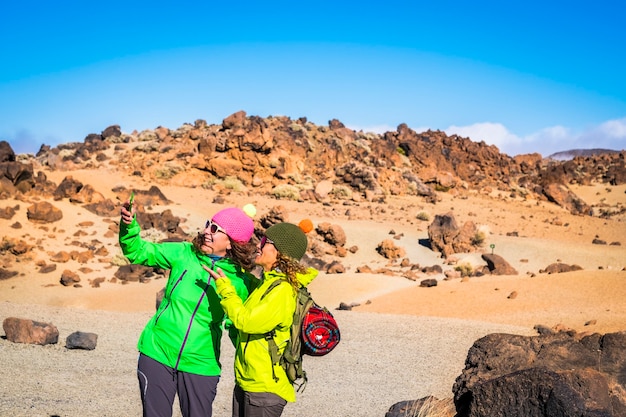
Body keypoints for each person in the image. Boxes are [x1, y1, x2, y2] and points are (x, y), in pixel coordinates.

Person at [119, 199, 257, 417]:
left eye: (214, 229)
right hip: (158, 351)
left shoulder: (241, 282)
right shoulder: (183, 253)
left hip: (201, 363)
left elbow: (239, 326)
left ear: (231, 243)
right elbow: (138, 251)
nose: (206, 232)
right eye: (207, 224)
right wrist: (129, 226)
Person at [205, 221, 318, 417]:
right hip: (249, 381)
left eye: (265, 241)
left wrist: (224, 287)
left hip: (264, 389)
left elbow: (246, 322)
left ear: (280, 252)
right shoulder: (267, 283)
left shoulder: (282, 291)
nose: (258, 245)